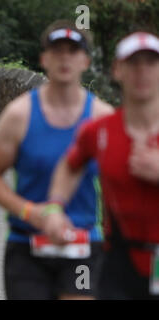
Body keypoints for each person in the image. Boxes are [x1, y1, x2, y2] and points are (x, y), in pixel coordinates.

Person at [0, 21, 113, 299]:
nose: (64, 57)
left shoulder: (102, 118)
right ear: (44, 59)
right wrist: (31, 212)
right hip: (28, 246)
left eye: (73, 51)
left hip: (83, 245)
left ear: (86, 61)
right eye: (57, 51)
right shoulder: (19, 115)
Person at [48, 31, 159, 299]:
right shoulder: (98, 131)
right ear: (117, 70)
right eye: (133, 63)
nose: (142, 72)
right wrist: (54, 208)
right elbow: (70, 165)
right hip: (118, 263)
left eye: (151, 63)